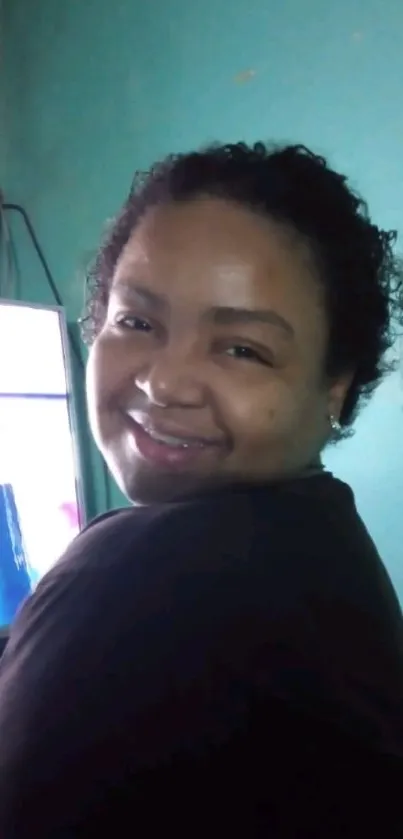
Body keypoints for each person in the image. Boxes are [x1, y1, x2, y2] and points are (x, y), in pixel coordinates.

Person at [0, 142, 402, 837]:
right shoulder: (321, 543)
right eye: (136, 321)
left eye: (241, 348)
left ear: (334, 384)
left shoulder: (139, 570)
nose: (163, 382)